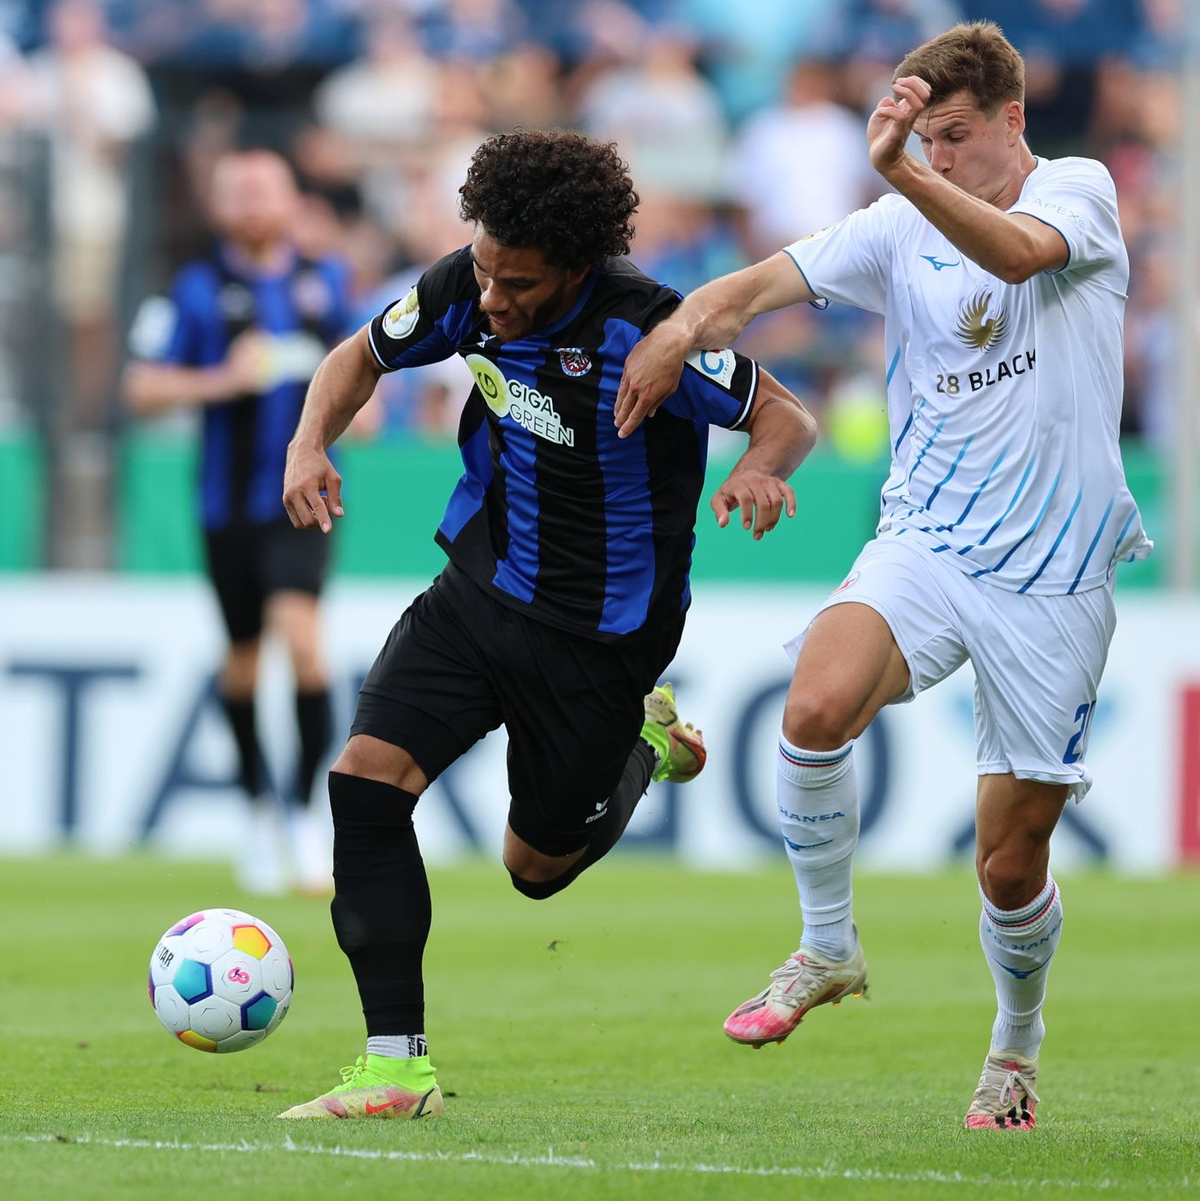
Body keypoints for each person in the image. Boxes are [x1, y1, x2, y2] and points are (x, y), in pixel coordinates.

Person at [615, 21, 1150, 1131]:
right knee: (814, 704)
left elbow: (1015, 255)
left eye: (958, 136)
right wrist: (674, 335)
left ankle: (1014, 1046)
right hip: (926, 541)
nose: (942, 158)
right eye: (926, 141)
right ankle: (826, 945)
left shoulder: (1080, 190)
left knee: (1009, 866)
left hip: (1053, 575)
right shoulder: (896, 221)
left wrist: (903, 169)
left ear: (1011, 119)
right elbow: (754, 287)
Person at [275, 129, 817, 1120]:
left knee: (534, 870)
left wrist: (757, 468)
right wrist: (310, 443)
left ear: (573, 264)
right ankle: (396, 1069)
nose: (491, 299)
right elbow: (355, 357)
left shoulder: (650, 327)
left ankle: (644, 741)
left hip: (601, 636)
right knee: (363, 781)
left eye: (516, 283)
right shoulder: (460, 287)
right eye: (484, 268)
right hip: (478, 592)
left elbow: (788, 416)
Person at [123, 149, 353, 894]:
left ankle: (302, 810)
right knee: (245, 661)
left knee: (306, 646)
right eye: (239, 191)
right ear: (220, 206)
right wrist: (226, 377)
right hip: (226, 507)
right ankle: (258, 810)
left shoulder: (325, 285)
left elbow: (370, 375)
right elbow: (141, 388)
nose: (253, 202)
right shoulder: (193, 289)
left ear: (291, 199)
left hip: (306, 500)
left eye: (265, 188)